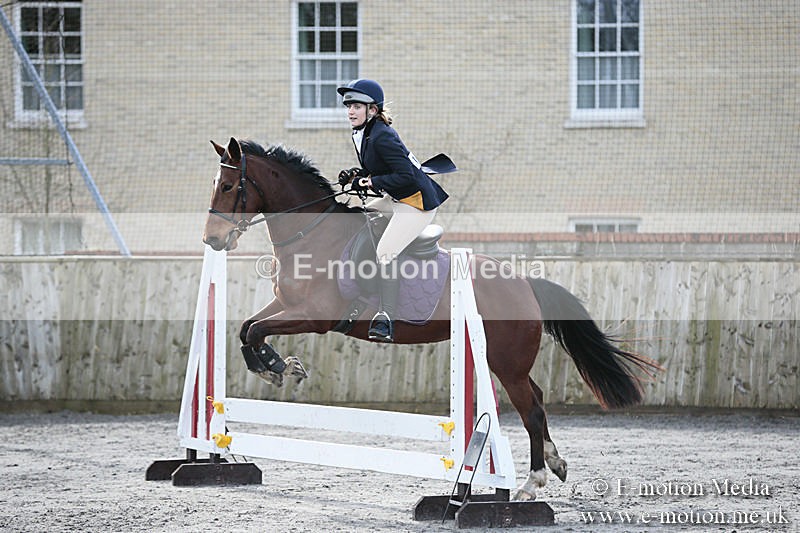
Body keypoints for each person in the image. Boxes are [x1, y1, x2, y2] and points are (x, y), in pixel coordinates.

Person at [336, 79, 449, 343]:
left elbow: (406, 176)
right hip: (398, 198)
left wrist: (369, 181)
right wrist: (358, 174)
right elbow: (381, 168)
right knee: (363, 213)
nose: (350, 111)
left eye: (356, 106)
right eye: (348, 106)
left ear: (372, 110)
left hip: (416, 203)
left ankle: (386, 316)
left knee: (385, 253)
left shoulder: (382, 135)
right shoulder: (364, 132)